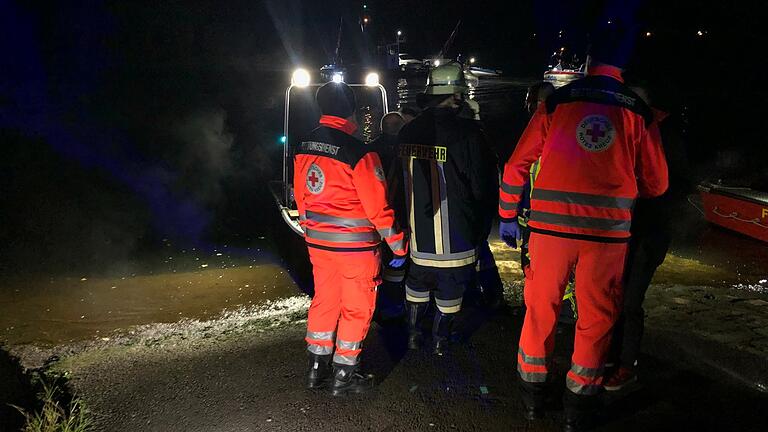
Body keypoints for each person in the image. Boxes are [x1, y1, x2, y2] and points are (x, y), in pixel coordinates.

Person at [497, 27, 669, 430]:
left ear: (587, 62)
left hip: (548, 232)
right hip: (607, 238)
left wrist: (507, 215)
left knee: (541, 310)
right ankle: (577, 406)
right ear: (623, 67)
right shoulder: (639, 112)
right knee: (596, 317)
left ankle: (534, 398)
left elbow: (516, 166)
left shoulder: (557, 102)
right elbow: (658, 184)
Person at [294, 81, 407, 396]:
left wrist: (310, 229)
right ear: (352, 110)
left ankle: (316, 369)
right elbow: (378, 208)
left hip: (318, 244)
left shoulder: (304, 146)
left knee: (325, 300)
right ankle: (344, 375)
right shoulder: (360, 152)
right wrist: (398, 243)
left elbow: (301, 197)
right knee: (357, 306)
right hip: (356, 247)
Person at [399, 62, 498, 355]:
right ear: (457, 96)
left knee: (416, 284)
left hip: (417, 233)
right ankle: (441, 340)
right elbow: (482, 185)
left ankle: (414, 336)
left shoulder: (408, 132)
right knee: (451, 287)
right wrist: (480, 228)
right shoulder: (468, 133)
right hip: (456, 232)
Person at [604, 82, 692, 390]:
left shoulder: (665, 136)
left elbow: (680, 186)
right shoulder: (626, 130)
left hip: (648, 233)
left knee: (630, 302)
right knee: (611, 296)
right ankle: (608, 355)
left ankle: (627, 365)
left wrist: (644, 190)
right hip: (621, 231)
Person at [370, 112, 408, 323]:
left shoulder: (371, 148)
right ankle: (394, 304)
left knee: (381, 261)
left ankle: (381, 303)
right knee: (397, 262)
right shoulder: (408, 147)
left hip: (376, 214)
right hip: (399, 211)